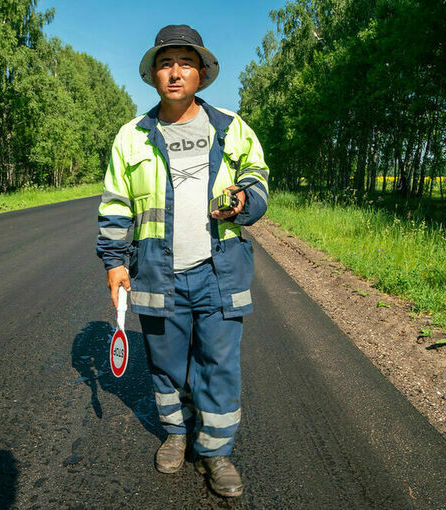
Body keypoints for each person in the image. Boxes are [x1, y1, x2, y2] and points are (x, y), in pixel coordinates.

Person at [96, 24, 269, 498]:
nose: (175, 72)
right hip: (156, 272)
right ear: (153, 74)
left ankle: (216, 453)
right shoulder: (132, 136)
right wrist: (115, 261)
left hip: (220, 270)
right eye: (166, 63)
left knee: (219, 364)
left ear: (201, 72)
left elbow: (257, 178)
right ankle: (176, 434)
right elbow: (115, 203)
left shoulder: (230, 127)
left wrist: (243, 200)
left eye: (185, 62)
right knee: (167, 363)